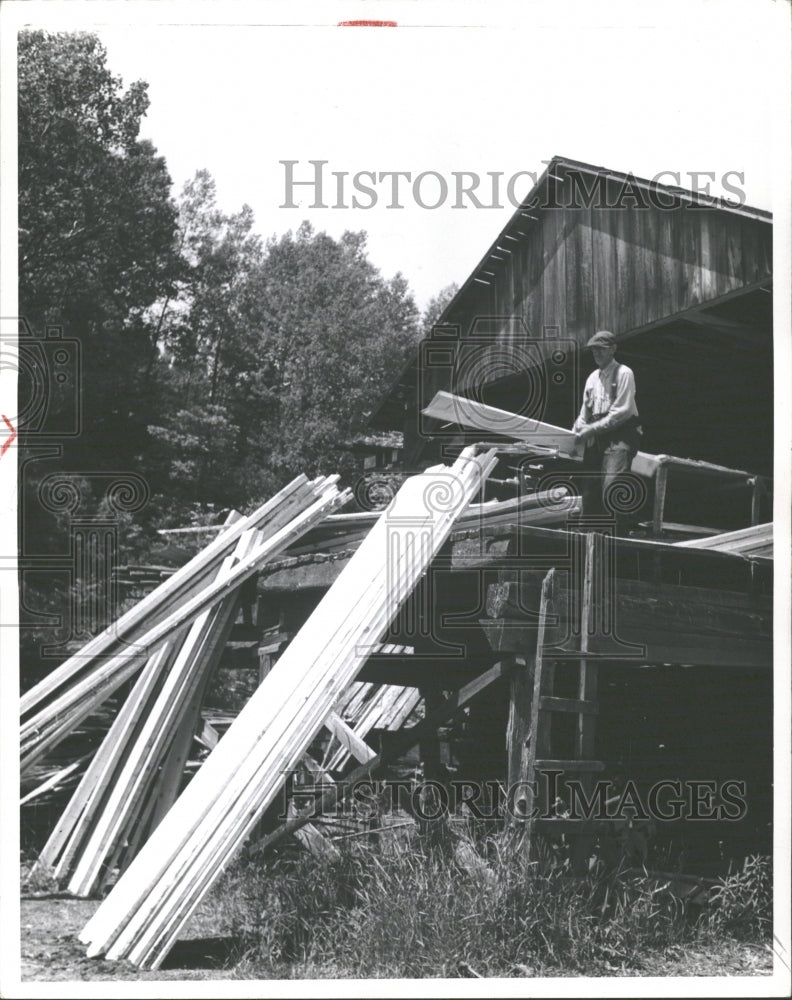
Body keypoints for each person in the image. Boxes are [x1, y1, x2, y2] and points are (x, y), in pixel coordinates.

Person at [573, 330, 642, 523]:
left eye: (601, 350)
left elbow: (622, 412)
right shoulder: (592, 379)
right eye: (594, 350)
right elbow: (584, 414)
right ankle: (590, 541)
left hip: (620, 436)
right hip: (597, 439)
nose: (596, 354)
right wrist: (576, 432)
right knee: (590, 492)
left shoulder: (624, 373)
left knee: (612, 487)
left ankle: (619, 541)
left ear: (613, 349)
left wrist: (591, 430)